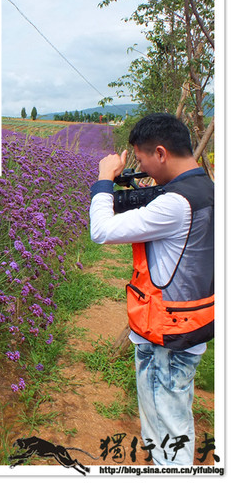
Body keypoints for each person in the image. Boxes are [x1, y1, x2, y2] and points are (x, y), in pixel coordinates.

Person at [89, 113, 214, 467]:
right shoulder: (208, 189)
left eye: (141, 159)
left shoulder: (175, 205)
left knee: (166, 441)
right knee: (175, 423)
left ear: (160, 152)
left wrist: (103, 179)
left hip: (164, 342)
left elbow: (101, 230)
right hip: (190, 329)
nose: (140, 167)